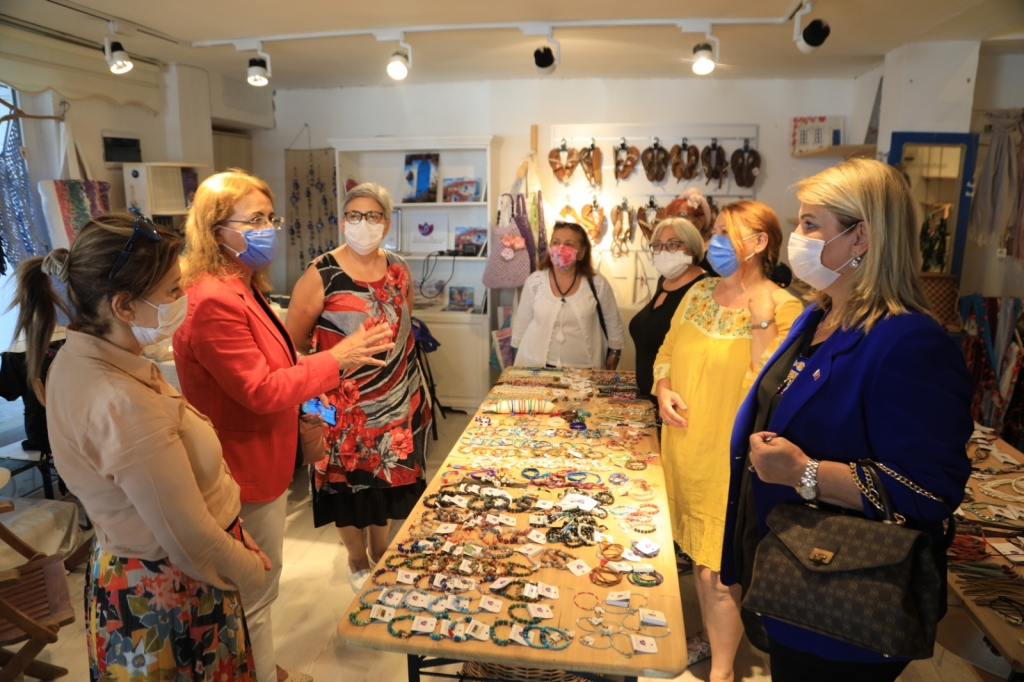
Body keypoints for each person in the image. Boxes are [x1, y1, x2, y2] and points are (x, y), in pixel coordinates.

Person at [721, 159, 973, 681]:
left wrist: (805, 472)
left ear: (861, 237)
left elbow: (930, 488)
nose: (797, 238)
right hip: (785, 565)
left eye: (811, 224)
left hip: (842, 596)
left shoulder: (908, 342)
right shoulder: (819, 316)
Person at [13, 212, 269, 680]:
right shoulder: (120, 402)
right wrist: (253, 571)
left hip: (154, 575)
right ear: (124, 307)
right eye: (173, 290)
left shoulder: (90, 359)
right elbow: (189, 538)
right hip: (170, 595)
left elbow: (171, 497)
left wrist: (231, 527)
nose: (183, 298)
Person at [173, 171, 394, 682]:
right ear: (215, 229)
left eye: (270, 218)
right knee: (255, 589)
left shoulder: (242, 286)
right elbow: (260, 389)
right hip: (240, 470)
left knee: (254, 592)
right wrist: (338, 358)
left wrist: (318, 383)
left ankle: (258, 665)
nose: (268, 229)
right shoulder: (213, 299)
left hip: (264, 458)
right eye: (254, 219)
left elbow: (281, 362)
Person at [653, 200, 802, 681]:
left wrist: (761, 322)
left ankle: (722, 671)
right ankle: (713, 641)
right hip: (683, 450)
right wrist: (663, 388)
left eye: (723, 232)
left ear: (758, 242)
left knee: (719, 570)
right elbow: (667, 349)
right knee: (699, 559)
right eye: (714, 231)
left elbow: (769, 390)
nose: (713, 241)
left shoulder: (784, 307)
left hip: (728, 461)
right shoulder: (699, 292)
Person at [285, 182, 431, 591]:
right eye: (354, 215)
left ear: (386, 223)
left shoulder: (399, 268)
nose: (363, 223)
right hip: (337, 402)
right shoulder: (321, 273)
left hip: (395, 398)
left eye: (372, 216)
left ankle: (380, 551)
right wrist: (331, 368)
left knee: (387, 480)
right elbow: (293, 341)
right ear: (342, 221)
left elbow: (403, 325)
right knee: (343, 485)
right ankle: (354, 559)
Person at [511, 221, 625, 369]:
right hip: (537, 368)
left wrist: (614, 353)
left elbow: (613, 323)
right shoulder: (534, 282)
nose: (560, 248)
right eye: (556, 242)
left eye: (569, 244)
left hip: (585, 370)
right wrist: (517, 363)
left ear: (581, 253)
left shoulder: (598, 283)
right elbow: (521, 325)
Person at [628, 218, 707, 401]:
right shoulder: (664, 281)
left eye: (673, 244)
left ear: (692, 247)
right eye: (658, 245)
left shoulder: (704, 289)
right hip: (649, 396)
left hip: (675, 399)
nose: (663, 252)